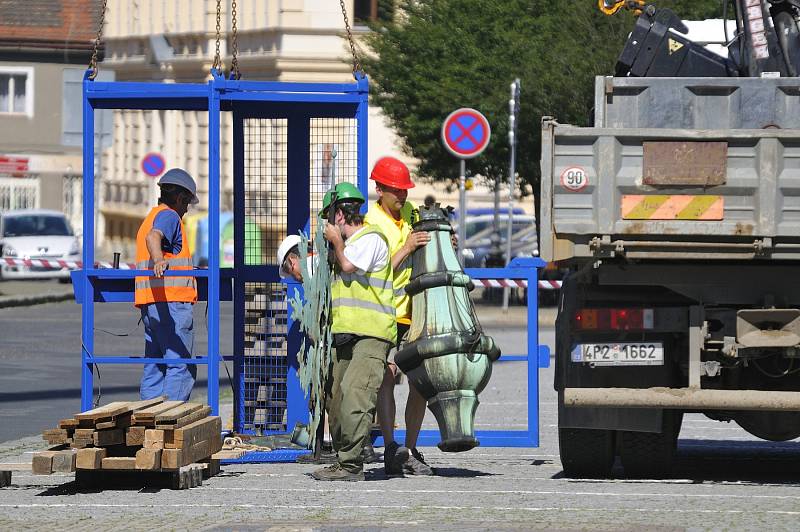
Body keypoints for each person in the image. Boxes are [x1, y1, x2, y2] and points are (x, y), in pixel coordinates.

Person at [311, 182, 397, 481]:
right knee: (335, 398)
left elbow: (348, 265)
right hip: (344, 334)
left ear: (338, 217)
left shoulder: (372, 239)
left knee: (355, 393)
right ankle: (342, 457)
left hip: (372, 334)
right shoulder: (343, 247)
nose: (325, 226)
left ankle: (351, 465)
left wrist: (335, 242)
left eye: (327, 218)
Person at [364, 156, 434, 476]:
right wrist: (406, 247)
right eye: (396, 190)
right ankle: (391, 447)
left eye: (405, 189)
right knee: (386, 378)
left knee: (421, 381)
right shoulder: (370, 223)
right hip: (384, 312)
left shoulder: (409, 213)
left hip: (413, 311)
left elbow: (425, 237)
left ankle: (411, 447)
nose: (402, 195)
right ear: (380, 189)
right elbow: (374, 273)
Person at [135, 168, 200, 401]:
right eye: (187, 204)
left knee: (155, 366)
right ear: (180, 198)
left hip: (151, 303)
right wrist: (160, 260)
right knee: (180, 365)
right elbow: (154, 237)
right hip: (171, 302)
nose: (186, 210)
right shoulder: (169, 216)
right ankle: (168, 423)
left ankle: (148, 421)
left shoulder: (150, 215)